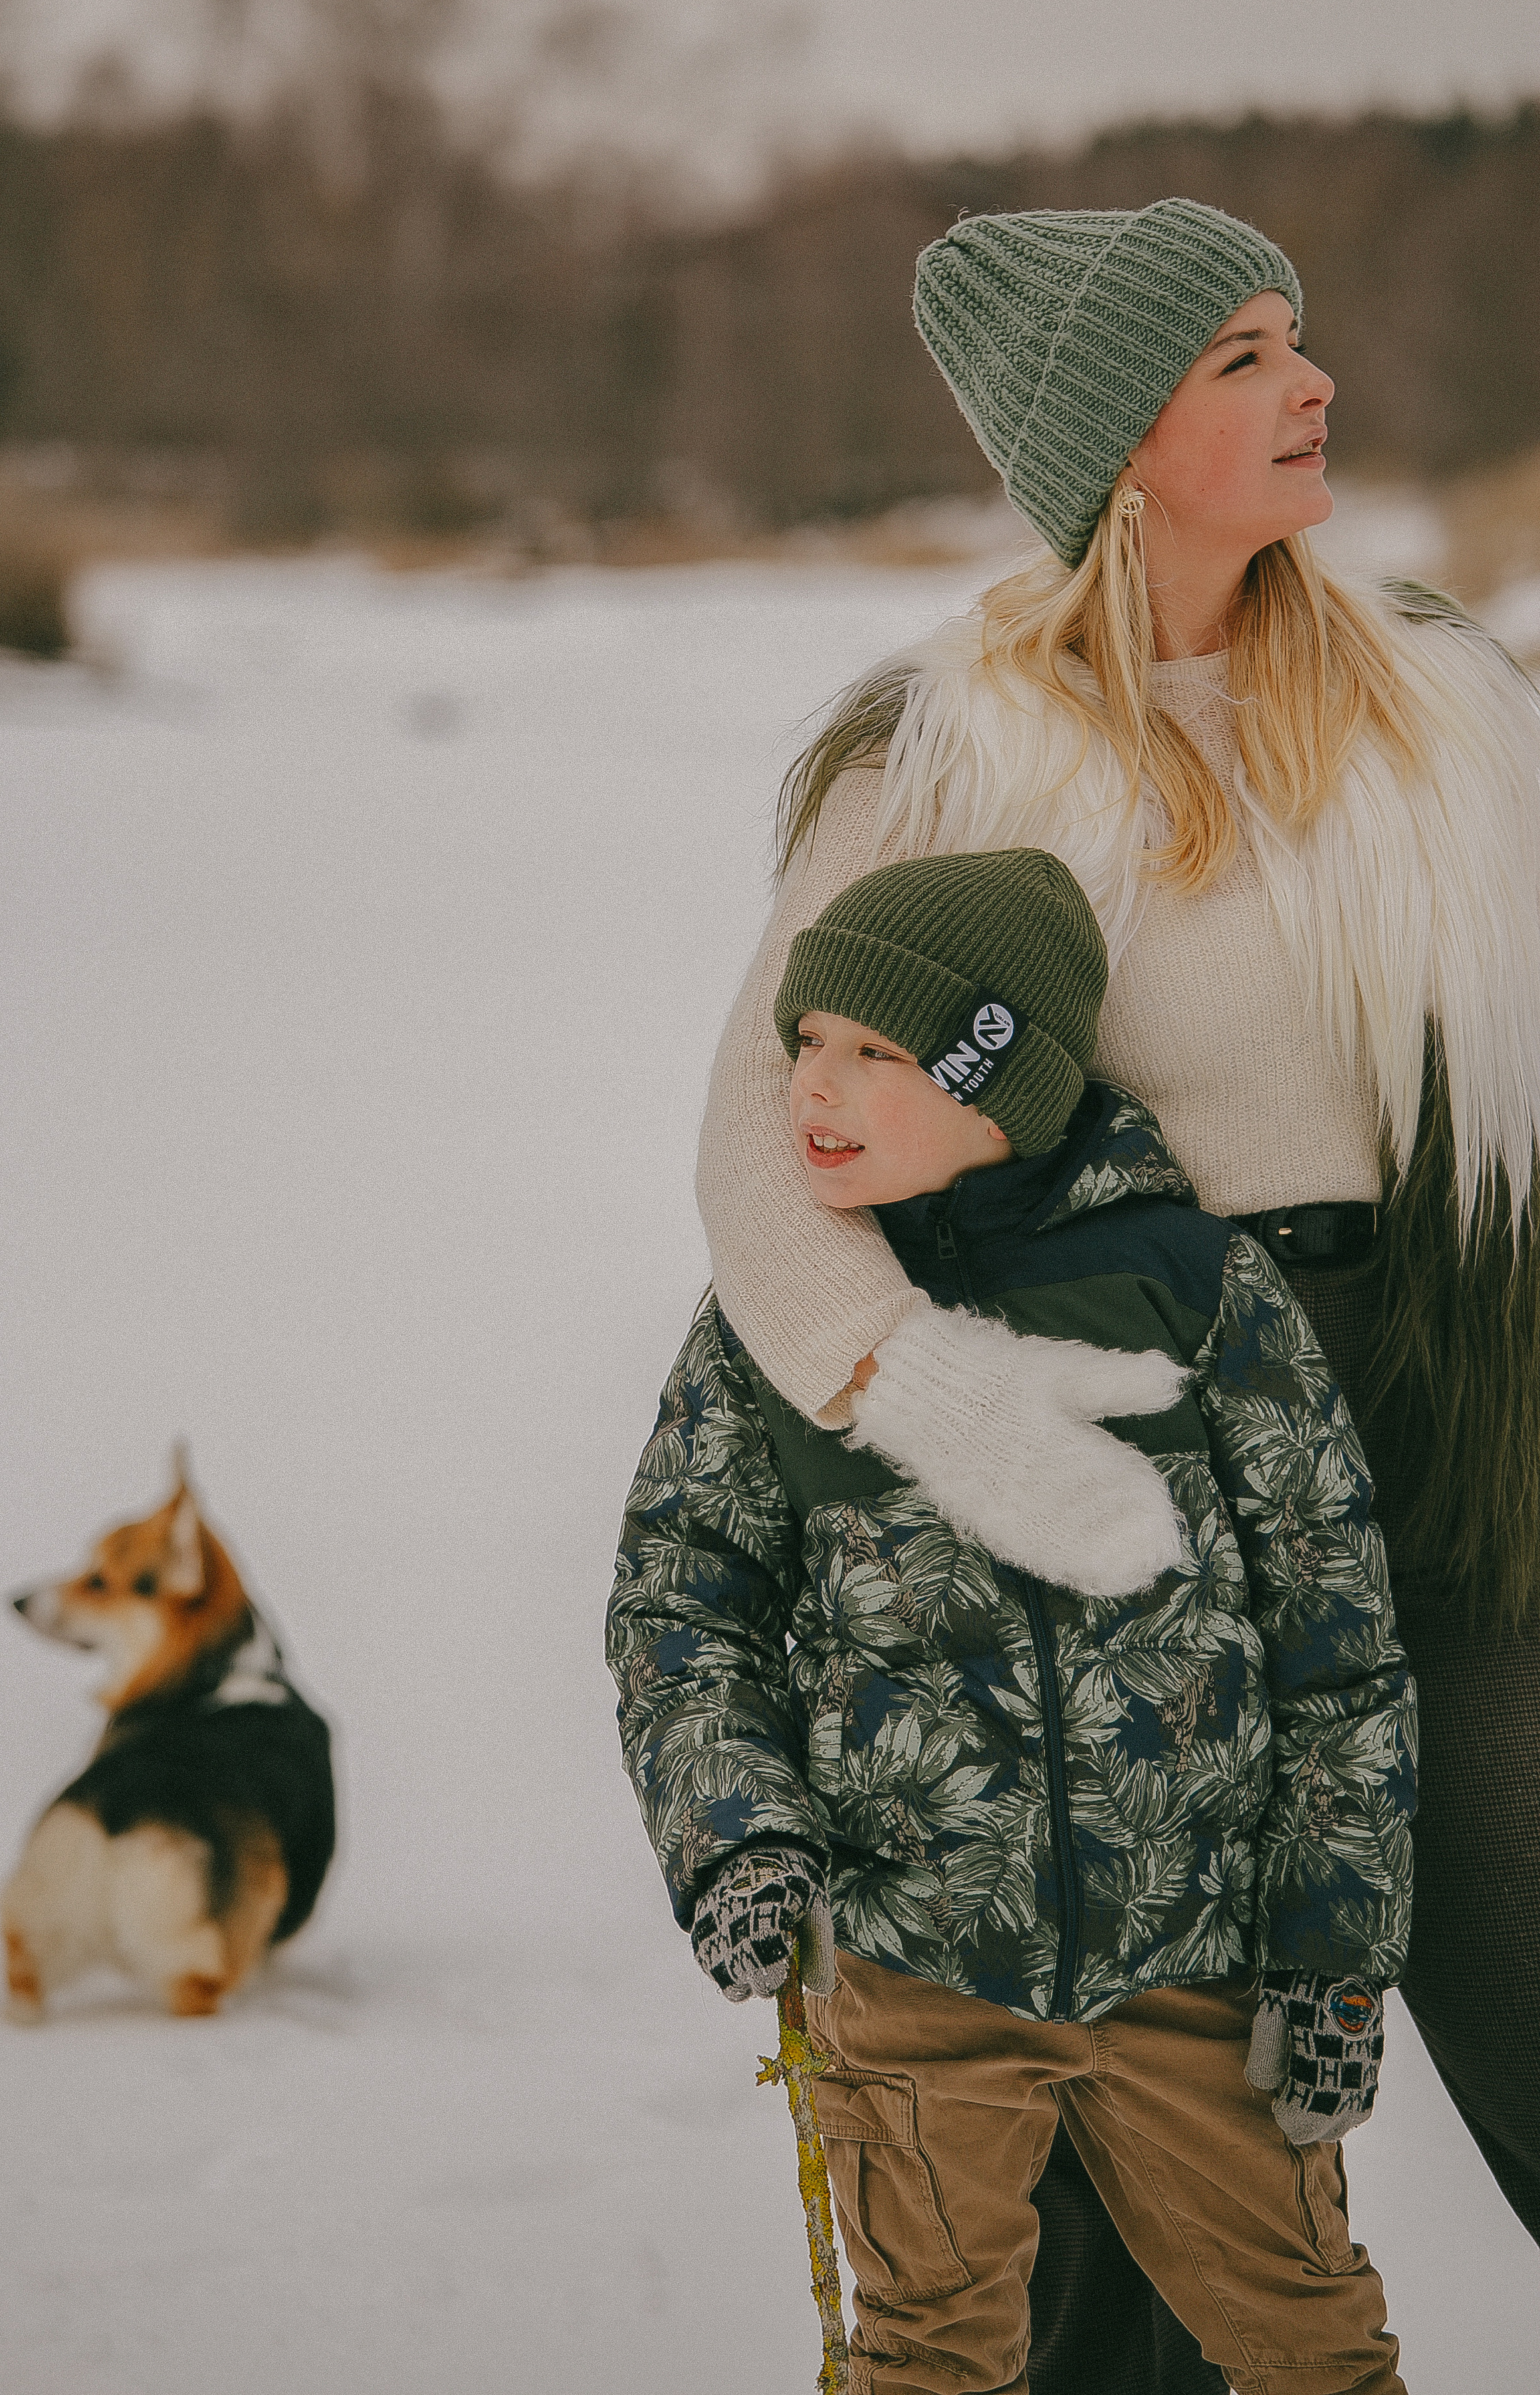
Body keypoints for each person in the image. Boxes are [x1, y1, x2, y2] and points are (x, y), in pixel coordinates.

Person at [692, 197, 1540, 2391]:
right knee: (1135, 2184)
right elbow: (767, 1157)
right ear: (1116, 438)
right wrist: (955, 1421)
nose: (1313, 380)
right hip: (1144, 1483)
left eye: (1297, 334)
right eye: (1244, 354)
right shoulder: (948, 761)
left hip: (1461, 1451)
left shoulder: (1450, 709)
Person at [608, 845, 1416, 2395]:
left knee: (1311, 2343)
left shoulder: (1196, 1291)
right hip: (908, 1969)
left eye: (876, 1050)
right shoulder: (781, 1321)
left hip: (1198, 1968)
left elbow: (1339, 1651)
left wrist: (1331, 1951)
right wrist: (737, 1840)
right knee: (928, 2355)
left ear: (998, 1081)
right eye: (805, 1040)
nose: (812, 1085)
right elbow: (681, 1605)